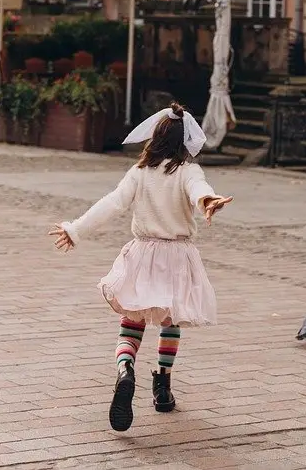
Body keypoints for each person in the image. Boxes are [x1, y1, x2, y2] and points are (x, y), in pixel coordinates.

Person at [49, 103, 233, 433]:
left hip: (143, 254)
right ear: (185, 142)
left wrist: (75, 230)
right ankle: (162, 387)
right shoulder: (188, 171)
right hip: (176, 257)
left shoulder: (140, 172)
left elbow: (111, 204)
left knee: (132, 318)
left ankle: (125, 367)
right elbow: (198, 192)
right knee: (170, 318)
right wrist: (209, 201)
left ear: (155, 136)